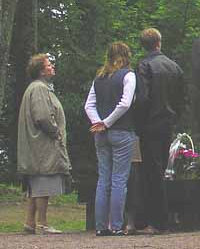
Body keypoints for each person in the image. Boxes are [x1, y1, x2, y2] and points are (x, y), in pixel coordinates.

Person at [84, 42, 137, 236]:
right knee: (118, 181)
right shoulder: (128, 75)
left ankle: (100, 226)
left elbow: (89, 105)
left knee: (103, 179)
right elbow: (125, 104)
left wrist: (98, 123)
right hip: (122, 131)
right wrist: (106, 122)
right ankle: (115, 225)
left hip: (101, 134)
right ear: (126, 55)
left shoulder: (99, 78)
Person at [135, 28, 185, 234]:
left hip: (150, 124)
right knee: (161, 169)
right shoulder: (174, 67)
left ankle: (157, 221)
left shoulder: (144, 65)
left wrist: (139, 124)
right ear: (159, 43)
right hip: (167, 124)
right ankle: (158, 220)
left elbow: (142, 98)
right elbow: (182, 99)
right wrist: (175, 119)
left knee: (151, 172)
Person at [17, 54, 72, 235]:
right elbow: (42, 116)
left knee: (36, 183)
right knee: (43, 182)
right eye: (49, 65)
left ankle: (30, 222)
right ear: (41, 70)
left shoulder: (34, 88)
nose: (52, 67)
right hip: (42, 145)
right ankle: (42, 223)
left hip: (37, 144)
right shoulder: (40, 88)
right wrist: (55, 131)